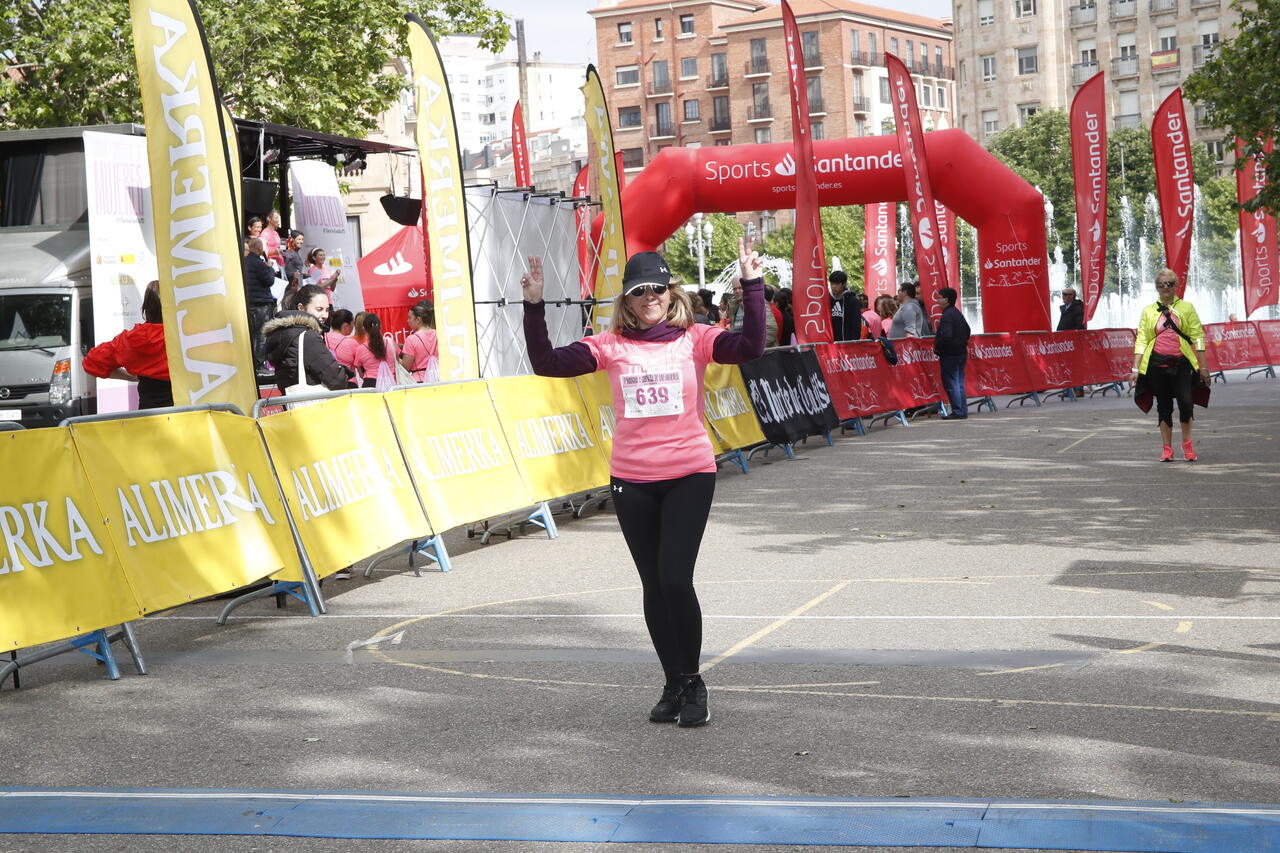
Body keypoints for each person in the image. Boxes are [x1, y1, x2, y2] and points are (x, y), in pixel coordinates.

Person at [520, 239, 766, 728]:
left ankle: (694, 681)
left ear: (670, 292)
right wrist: (534, 306)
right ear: (627, 301)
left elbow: (751, 347)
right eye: (639, 291)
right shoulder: (610, 346)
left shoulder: (695, 337)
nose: (648, 296)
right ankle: (673, 681)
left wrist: (752, 285)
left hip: (689, 474)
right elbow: (546, 363)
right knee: (653, 586)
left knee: (676, 578)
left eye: (656, 287)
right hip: (632, 478)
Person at [1132, 268, 1208, 461]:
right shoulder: (1148, 311)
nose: (1166, 288)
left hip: (1181, 363)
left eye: (1170, 284)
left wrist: (1203, 367)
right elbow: (1141, 339)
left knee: (1186, 403)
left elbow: (1198, 337)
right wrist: (1135, 368)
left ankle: (1187, 444)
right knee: (1164, 406)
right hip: (1156, 364)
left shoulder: (1187, 308)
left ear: (1177, 285)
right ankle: (1167, 448)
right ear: (1156, 287)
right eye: (1161, 284)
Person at [82, 282, 172, 409]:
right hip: (189, 415)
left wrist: (130, 377)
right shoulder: (184, 336)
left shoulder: (131, 339)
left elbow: (91, 362)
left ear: (146, 306)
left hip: (148, 416)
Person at [262, 284, 353, 396]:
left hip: (294, 406)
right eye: (319, 309)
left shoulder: (286, 334)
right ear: (301, 308)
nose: (324, 315)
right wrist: (345, 371)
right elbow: (337, 380)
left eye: (327, 310)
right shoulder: (308, 338)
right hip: (315, 407)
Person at [934, 286, 971, 420]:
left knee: (951, 382)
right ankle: (961, 410)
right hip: (960, 352)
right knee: (958, 382)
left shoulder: (947, 315)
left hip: (950, 354)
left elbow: (947, 335)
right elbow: (967, 330)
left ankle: (958, 410)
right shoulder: (956, 313)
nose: (938, 299)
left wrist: (938, 346)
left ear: (947, 300)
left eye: (940, 297)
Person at [242, 237, 278, 371]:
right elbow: (269, 281)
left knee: (250, 334)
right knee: (261, 335)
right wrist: (269, 267)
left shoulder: (243, 262)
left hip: (248, 303)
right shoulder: (259, 263)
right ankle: (259, 365)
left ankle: (249, 365)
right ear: (259, 249)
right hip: (261, 304)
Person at [351, 312, 399, 388]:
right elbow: (397, 361)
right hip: (392, 383)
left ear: (364, 328)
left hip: (370, 384)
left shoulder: (361, 349)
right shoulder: (390, 343)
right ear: (381, 326)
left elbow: (360, 372)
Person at [400, 300, 440, 382]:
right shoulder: (438, 334)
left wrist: (396, 359)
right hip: (439, 377)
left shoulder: (411, 339)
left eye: (409, 318)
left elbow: (406, 367)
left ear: (418, 319)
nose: (408, 321)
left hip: (420, 381)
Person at [1056, 286, 1086, 396]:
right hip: (1064, 342)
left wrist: (1073, 335)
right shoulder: (1064, 308)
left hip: (1074, 341)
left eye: (1066, 294)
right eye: (1063, 294)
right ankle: (1067, 389)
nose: (1063, 296)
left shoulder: (1078, 308)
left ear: (1073, 296)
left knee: (1076, 365)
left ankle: (1079, 389)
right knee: (1065, 365)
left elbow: (1080, 326)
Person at [324, 308, 360, 380]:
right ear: (346, 326)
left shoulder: (321, 338)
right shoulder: (351, 343)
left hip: (327, 382)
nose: (353, 327)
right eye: (353, 324)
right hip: (348, 382)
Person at [828, 270, 862, 341]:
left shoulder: (852, 301)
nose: (834, 286)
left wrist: (853, 341)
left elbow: (856, 324)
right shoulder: (827, 299)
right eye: (832, 283)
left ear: (844, 284)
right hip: (830, 344)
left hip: (847, 343)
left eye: (837, 284)